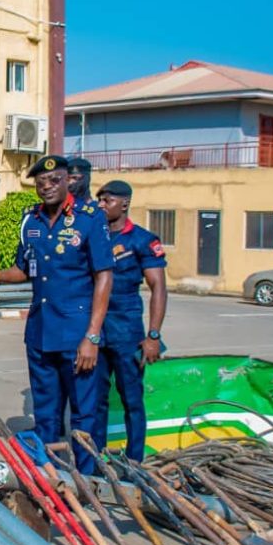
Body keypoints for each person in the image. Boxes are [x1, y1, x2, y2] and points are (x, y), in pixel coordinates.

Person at [0, 156, 113, 474]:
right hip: (40, 332)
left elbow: (104, 276)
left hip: (78, 334)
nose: (47, 187)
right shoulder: (32, 221)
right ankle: (50, 476)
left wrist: (92, 336)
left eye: (54, 180)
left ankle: (86, 481)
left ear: (69, 181)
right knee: (46, 413)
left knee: (83, 414)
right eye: (41, 182)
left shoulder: (90, 218)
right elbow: (24, 269)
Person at [93, 180, 168, 462]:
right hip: (96, 331)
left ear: (124, 203)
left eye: (107, 200)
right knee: (96, 401)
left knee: (132, 401)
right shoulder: (95, 236)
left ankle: (135, 461)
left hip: (127, 332)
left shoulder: (142, 240)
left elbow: (158, 287)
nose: (101, 205)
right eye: (99, 199)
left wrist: (153, 335)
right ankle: (96, 460)